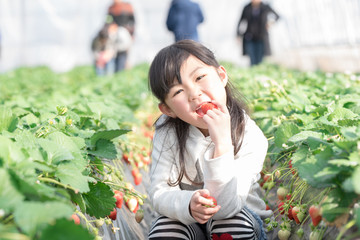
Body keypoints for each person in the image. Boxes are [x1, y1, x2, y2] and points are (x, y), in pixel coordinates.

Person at [147, 39, 272, 239]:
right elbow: (159, 192)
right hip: (190, 223)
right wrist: (188, 204)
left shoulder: (250, 135)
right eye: (178, 91)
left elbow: (225, 209)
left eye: (200, 77)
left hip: (240, 217)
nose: (194, 94)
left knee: (230, 226)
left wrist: (222, 144)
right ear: (168, 109)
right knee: (164, 229)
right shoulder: (168, 132)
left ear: (221, 75)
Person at [236, 0, 279, 66]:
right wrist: (238, 35)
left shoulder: (265, 7)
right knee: (252, 58)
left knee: (260, 59)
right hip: (249, 37)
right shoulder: (247, 7)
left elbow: (277, 16)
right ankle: (253, 72)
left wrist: (270, 22)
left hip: (261, 37)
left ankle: (258, 71)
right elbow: (241, 21)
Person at [108, 0, 135, 72]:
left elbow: (132, 21)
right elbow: (107, 21)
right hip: (114, 36)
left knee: (124, 56)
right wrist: (111, 27)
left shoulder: (128, 7)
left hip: (125, 36)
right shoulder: (111, 8)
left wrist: (131, 34)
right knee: (114, 56)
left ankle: (123, 72)